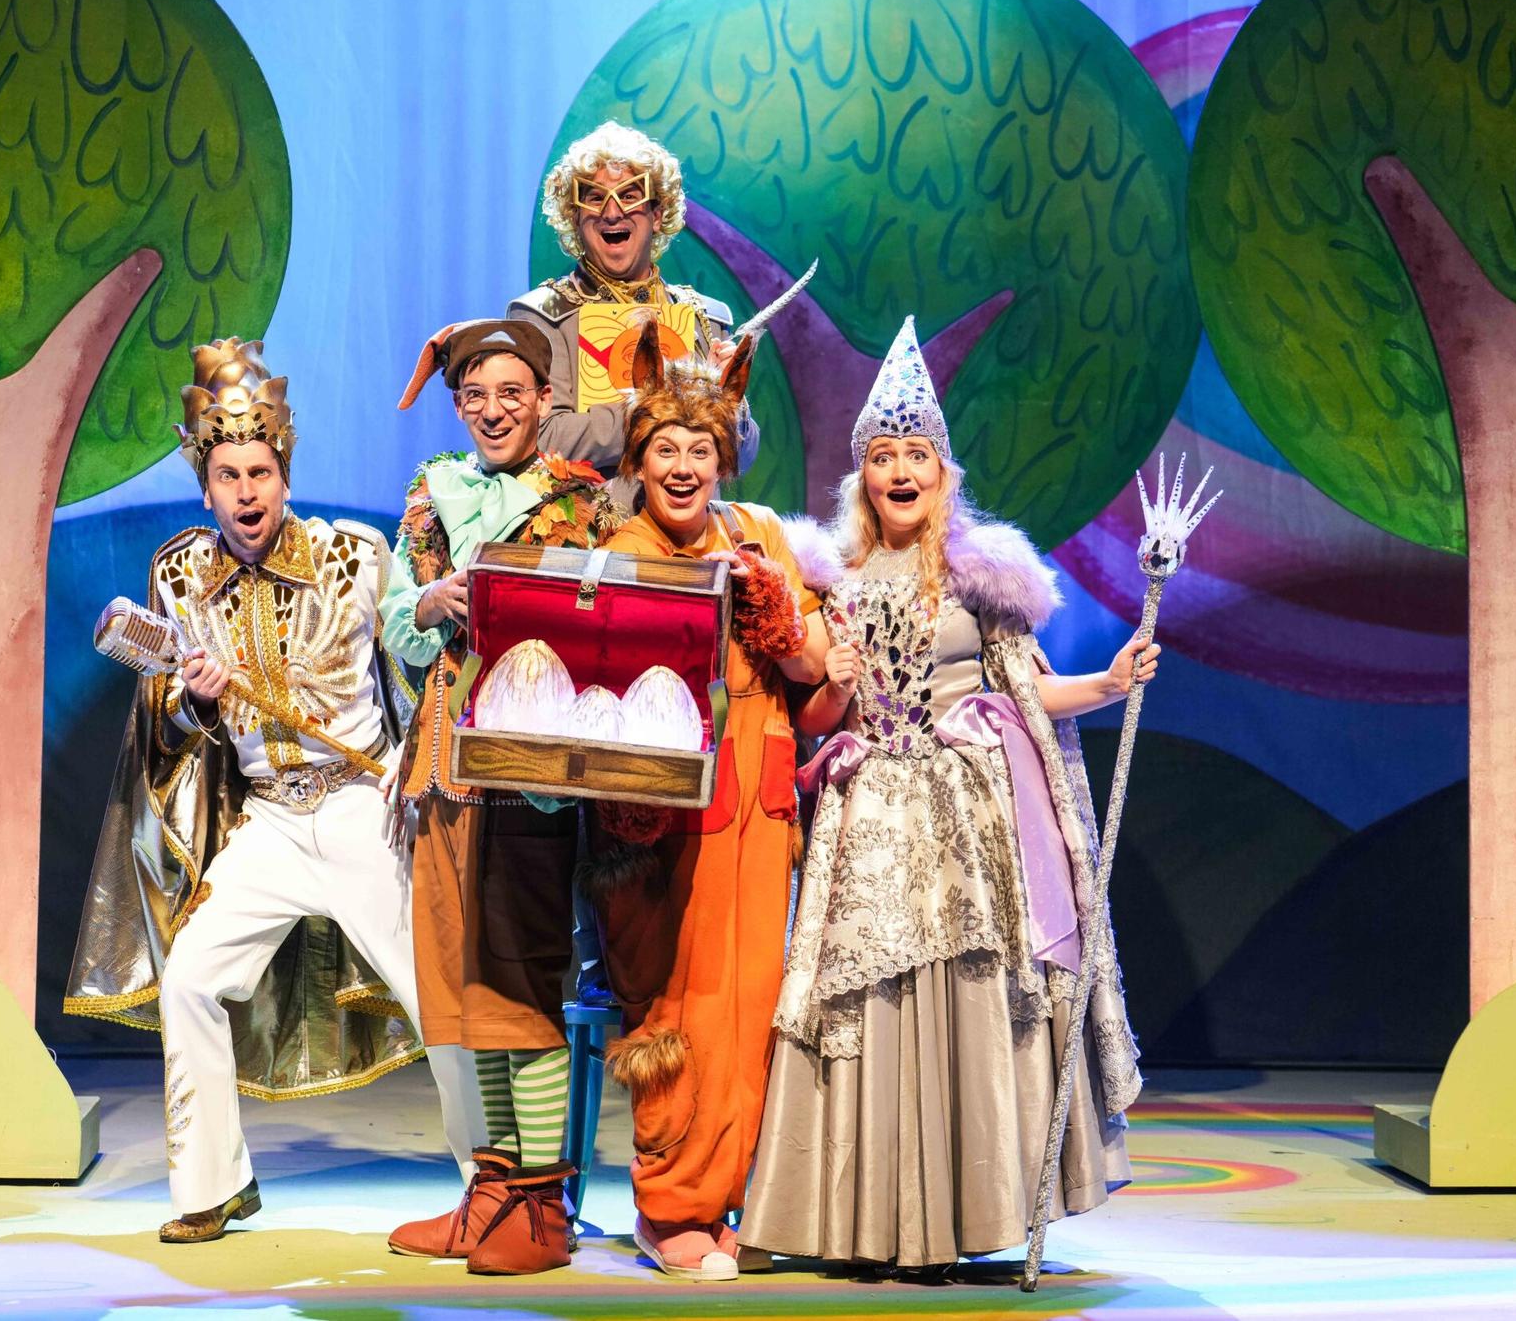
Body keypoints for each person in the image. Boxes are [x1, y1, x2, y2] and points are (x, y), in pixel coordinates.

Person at [739, 317, 1147, 1272]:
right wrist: (833, 685)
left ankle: (963, 1211)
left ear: (943, 473)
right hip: (866, 815)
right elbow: (816, 716)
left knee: (966, 992)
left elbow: (1028, 692)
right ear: (862, 477)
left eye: (916, 454)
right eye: (883, 456)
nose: (900, 471)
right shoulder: (830, 579)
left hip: (966, 816)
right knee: (865, 996)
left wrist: (1108, 682)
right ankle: (863, 1220)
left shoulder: (980, 578)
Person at [64, 338, 479, 1245]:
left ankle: (493, 1189)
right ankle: (213, 1186)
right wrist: (195, 701)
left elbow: (421, 665)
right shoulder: (179, 575)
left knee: (436, 993)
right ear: (204, 487)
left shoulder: (354, 555)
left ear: (284, 473)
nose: (246, 492)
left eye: (259, 472)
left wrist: (419, 771)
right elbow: (169, 721)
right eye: (228, 476)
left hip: (362, 806)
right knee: (191, 979)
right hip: (269, 819)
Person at [582, 320, 827, 1281]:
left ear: (724, 457)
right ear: (638, 461)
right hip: (662, 814)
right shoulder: (620, 544)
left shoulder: (759, 532)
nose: (683, 468)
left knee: (753, 1004)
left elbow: (811, 666)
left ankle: (733, 1200)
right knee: (679, 1000)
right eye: (665, 450)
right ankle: (671, 1205)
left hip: (758, 800)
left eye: (700, 450)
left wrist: (773, 606)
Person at [382, 320, 622, 1275]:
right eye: (476, 395)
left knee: (521, 975)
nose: (493, 411)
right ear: (457, 407)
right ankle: (492, 1188)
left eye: (512, 392)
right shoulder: (431, 492)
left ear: (544, 401)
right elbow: (397, 622)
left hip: (529, 771)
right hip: (444, 765)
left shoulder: (580, 500)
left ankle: (542, 1205)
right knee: (463, 982)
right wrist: (427, 603)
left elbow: (607, 623)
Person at [510, 120, 760, 504]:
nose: (612, 213)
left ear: (657, 215)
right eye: (594, 198)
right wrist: (653, 410)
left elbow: (740, 458)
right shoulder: (543, 318)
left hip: (688, 534)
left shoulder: (704, 319)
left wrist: (729, 404)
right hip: (589, 533)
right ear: (574, 217)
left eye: (629, 195)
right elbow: (542, 437)